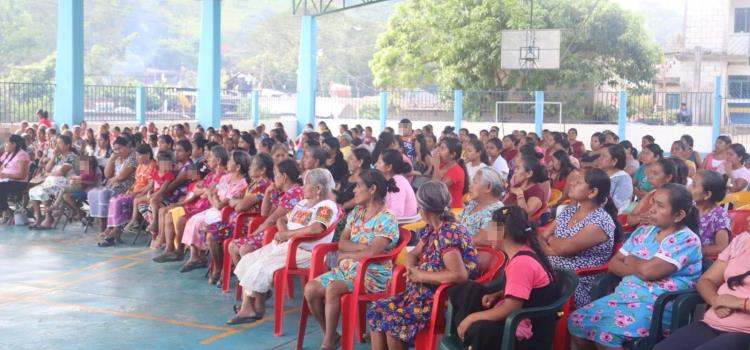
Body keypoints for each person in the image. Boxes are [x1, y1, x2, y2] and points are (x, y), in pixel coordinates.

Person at [569, 183, 703, 350]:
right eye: (653, 202)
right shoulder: (644, 232)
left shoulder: (686, 240)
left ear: (678, 215)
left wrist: (631, 259)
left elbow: (649, 272)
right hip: (623, 298)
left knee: (607, 334)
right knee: (577, 321)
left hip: (657, 305)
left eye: (659, 205)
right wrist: (640, 268)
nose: (652, 209)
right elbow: (614, 263)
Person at [367, 181, 479, 349]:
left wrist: (421, 275)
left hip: (441, 299)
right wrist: (412, 269)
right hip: (421, 295)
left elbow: (458, 275)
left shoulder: (449, 232)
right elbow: (413, 254)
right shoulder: (431, 229)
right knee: (377, 310)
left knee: (394, 322)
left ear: (424, 209)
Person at [304, 169, 400, 350]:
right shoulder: (357, 212)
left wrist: (348, 255)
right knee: (310, 290)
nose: (354, 190)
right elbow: (342, 242)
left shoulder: (388, 218)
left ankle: (327, 344)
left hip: (373, 274)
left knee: (333, 288)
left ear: (372, 189)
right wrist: (360, 248)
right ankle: (331, 336)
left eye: (358, 186)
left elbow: (373, 254)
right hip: (347, 270)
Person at [229, 168, 340, 325]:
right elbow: (282, 219)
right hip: (287, 245)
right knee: (249, 259)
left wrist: (288, 236)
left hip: (304, 252)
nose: (302, 187)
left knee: (261, 265)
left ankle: (248, 308)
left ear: (318, 189)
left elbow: (317, 228)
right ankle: (255, 307)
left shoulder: (327, 206)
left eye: (306, 184)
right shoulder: (303, 203)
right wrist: (284, 231)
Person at [448, 206, 560, 350]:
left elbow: (510, 309)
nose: (488, 232)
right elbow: (524, 290)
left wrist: (472, 318)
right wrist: (499, 294)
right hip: (518, 319)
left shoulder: (521, 262)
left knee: (480, 328)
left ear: (503, 232)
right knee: (467, 290)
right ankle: (467, 336)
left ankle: (468, 334)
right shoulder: (519, 254)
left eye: (491, 227)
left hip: (528, 334)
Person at [653, 231, 750, 350]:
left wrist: (739, 303)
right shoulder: (741, 242)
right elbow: (707, 280)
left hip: (745, 332)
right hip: (713, 323)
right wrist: (716, 300)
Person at [539, 168, 619, 307]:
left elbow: (564, 248)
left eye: (578, 182)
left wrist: (551, 241)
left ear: (592, 192)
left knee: (527, 283)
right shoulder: (570, 211)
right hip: (552, 270)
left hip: (575, 282)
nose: (572, 184)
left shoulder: (600, 221)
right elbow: (542, 236)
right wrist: (553, 247)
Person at [180, 150, 250, 281]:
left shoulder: (242, 184)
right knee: (192, 221)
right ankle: (197, 256)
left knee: (205, 229)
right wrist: (213, 197)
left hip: (227, 216)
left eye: (230, 161)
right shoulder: (226, 178)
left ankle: (218, 266)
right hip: (215, 210)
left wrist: (213, 197)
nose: (227, 163)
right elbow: (212, 192)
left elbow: (220, 204)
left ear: (238, 167)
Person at [87, 136, 137, 245]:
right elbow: (107, 174)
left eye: (120, 148)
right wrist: (111, 159)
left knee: (111, 194)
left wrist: (112, 179)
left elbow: (122, 176)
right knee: (99, 194)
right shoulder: (117, 158)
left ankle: (113, 227)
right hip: (114, 184)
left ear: (127, 147)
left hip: (128, 185)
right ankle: (105, 224)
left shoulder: (132, 158)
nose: (118, 151)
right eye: (115, 149)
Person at [29, 135, 78, 229]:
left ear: (67, 145)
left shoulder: (71, 156)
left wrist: (48, 173)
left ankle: (48, 218)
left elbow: (61, 172)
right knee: (33, 190)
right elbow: (47, 168)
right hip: (54, 182)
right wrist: (54, 156)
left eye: (59, 143)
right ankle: (39, 218)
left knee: (43, 191)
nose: (57, 145)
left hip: (66, 182)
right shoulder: (59, 156)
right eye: (56, 143)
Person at [628, 158, 680, 227]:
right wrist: (641, 218)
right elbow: (630, 220)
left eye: (655, 174)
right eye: (650, 173)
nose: (649, 177)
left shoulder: (675, 198)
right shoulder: (651, 194)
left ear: (668, 177)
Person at [690, 170, 732, 257]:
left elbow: (721, 247)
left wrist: (692, 252)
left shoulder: (719, 215)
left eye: (694, 185)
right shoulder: (690, 206)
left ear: (707, 194)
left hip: (702, 259)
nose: (689, 187)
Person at [459, 167, 505, 243]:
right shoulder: (473, 203)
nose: (470, 186)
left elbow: (486, 241)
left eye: (475, 182)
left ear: (488, 187)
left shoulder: (499, 211)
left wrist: (452, 240)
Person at [504, 156, 550, 224]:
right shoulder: (519, 185)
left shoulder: (537, 193)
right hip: (506, 216)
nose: (515, 171)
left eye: (518, 168)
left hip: (518, 226)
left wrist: (520, 194)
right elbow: (506, 205)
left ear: (529, 174)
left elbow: (523, 215)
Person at [375, 149, 418, 221]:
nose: (375, 164)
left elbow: (396, 213)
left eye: (379, 162)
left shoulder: (397, 182)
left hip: (403, 227)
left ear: (389, 167)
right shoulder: (393, 180)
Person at [0, 135, 31, 222]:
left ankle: (6, 210)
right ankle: (5, 210)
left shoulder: (22, 155)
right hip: (5, 180)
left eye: (8, 143)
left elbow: (22, 175)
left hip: (18, 182)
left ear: (14, 144)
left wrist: (6, 175)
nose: (5, 144)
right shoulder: (8, 153)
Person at [432, 138, 468, 209]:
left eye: (442, 149)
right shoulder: (442, 165)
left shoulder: (457, 171)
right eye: (439, 148)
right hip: (442, 207)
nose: (439, 151)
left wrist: (436, 166)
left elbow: (435, 189)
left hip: (453, 210)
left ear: (452, 154)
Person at [597, 144, 634, 213]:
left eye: (604, 156)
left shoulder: (624, 179)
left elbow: (618, 206)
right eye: (600, 155)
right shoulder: (598, 174)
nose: (599, 158)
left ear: (614, 161)